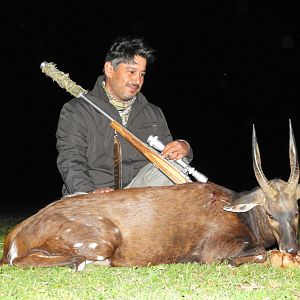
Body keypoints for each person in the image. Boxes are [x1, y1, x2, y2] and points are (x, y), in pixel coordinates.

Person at [56, 36, 193, 196]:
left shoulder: (153, 113)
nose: (138, 80)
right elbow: (71, 161)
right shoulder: (76, 110)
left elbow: (170, 156)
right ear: (109, 70)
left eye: (142, 74)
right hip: (94, 195)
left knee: (174, 170)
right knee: (79, 197)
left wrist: (185, 149)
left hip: (137, 196)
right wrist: (90, 192)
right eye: (131, 71)